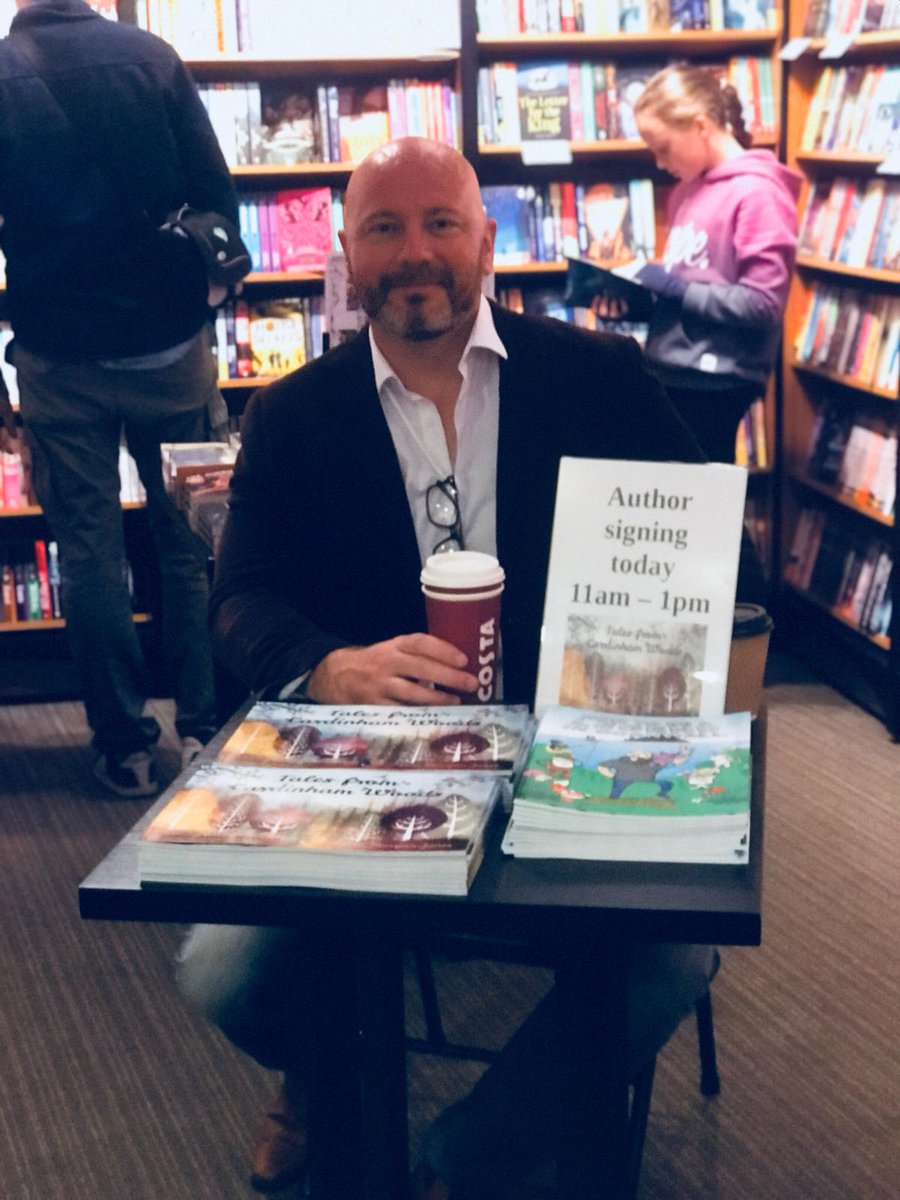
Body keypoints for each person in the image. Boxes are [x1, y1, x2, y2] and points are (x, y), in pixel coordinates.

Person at [175, 136, 759, 1199]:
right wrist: (326, 664)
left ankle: (467, 1156)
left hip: (572, 757)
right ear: (346, 256)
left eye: (441, 223)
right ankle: (326, 1082)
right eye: (385, 229)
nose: (416, 253)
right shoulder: (292, 414)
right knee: (222, 970)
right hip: (376, 768)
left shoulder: (600, 380)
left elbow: (729, 562)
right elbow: (242, 600)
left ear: (486, 241)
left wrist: (655, 604)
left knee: (671, 959)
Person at [0, 0, 241, 795]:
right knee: (191, 546)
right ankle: (207, 731)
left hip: (58, 360)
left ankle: (125, 749)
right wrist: (200, 304)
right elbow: (217, 197)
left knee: (91, 556)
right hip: (170, 354)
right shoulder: (152, 57)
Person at [605, 63, 800, 463]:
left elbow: (763, 305)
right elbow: (692, 291)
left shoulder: (758, 194)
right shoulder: (686, 193)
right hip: (670, 366)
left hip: (716, 380)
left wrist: (675, 287)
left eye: (664, 147)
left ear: (700, 126)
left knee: (701, 510)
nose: (660, 162)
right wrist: (635, 302)